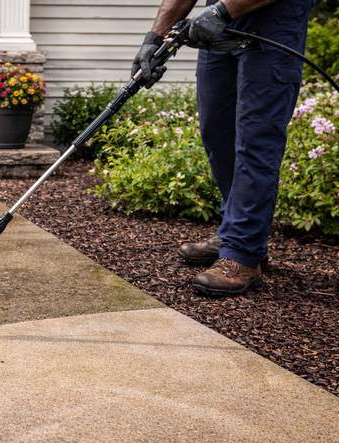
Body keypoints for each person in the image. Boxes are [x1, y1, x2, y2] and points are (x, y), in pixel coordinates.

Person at [133, 0, 313, 296]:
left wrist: (222, 11)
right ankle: (235, 230)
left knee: (256, 141)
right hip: (221, 22)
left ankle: (243, 251)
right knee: (217, 133)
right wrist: (154, 37)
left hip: (273, 22)